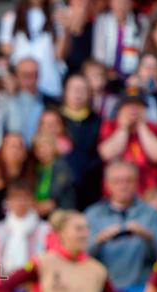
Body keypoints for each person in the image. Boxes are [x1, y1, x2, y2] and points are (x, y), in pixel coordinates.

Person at [85, 161, 157, 292]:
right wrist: (99, 240)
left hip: (141, 287)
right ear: (107, 184)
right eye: (117, 181)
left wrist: (146, 236)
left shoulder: (151, 214)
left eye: (129, 181)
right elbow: (83, 255)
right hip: (104, 289)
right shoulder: (93, 215)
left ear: (136, 183)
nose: (123, 186)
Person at [97, 91, 157, 196]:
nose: (133, 109)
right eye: (128, 105)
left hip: (150, 191)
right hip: (117, 193)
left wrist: (142, 127)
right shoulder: (109, 126)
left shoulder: (156, 127)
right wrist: (123, 128)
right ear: (120, 109)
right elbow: (107, 154)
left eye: (138, 106)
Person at [0, 178, 50, 278]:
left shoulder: (45, 229)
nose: (21, 202)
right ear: (8, 201)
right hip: (3, 285)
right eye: (16, 198)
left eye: (25, 197)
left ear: (32, 200)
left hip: (34, 286)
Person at [0, 0, 67, 99]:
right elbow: (6, 50)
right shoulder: (12, 17)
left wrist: (65, 28)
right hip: (21, 86)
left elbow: (59, 54)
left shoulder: (56, 16)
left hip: (49, 83)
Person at [60, 74, 103, 209]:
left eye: (82, 89)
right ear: (65, 92)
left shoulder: (97, 121)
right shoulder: (56, 119)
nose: (78, 94)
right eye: (73, 89)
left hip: (89, 184)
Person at [92, 0, 148, 82]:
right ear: (111, 3)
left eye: (125, 2)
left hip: (133, 74)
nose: (121, 6)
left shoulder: (141, 22)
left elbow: (143, 50)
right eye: (118, 2)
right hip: (106, 73)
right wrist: (106, 71)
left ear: (131, 4)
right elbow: (98, 54)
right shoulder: (102, 21)